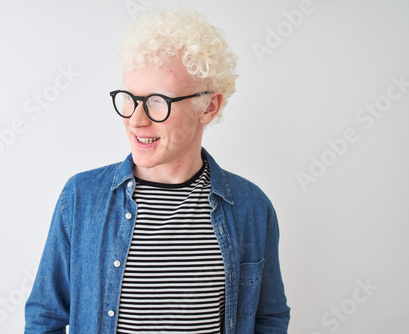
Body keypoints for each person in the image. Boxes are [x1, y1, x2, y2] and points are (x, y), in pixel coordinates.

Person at [25, 6, 290, 334]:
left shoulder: (251, 208)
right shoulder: (80, 198)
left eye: (157, 101)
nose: (136, 119)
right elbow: (45, 316)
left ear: (208, 106)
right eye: (130, 98)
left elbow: (268, 318)